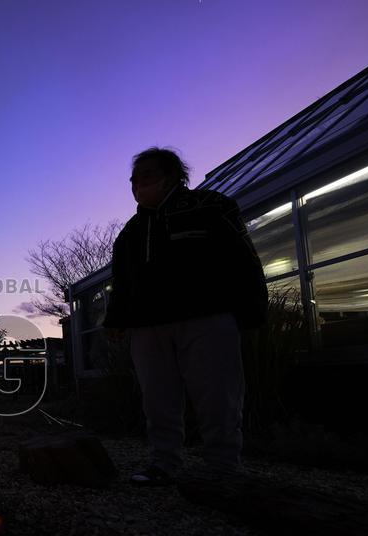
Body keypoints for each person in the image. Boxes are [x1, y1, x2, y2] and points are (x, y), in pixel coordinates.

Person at [103, 147, 268, 485]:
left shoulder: (211, 207)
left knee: (217, 395)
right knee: (157, 399)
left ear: (171, 175)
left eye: (147, 175)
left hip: (207, 318)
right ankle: (164, 463)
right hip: (147, 327)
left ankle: (222, 468)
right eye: (134, 179)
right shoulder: (131, 232)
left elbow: (244, 259)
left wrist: (252, 310)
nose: (138, 184)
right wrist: (116, 319)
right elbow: (121, 283)